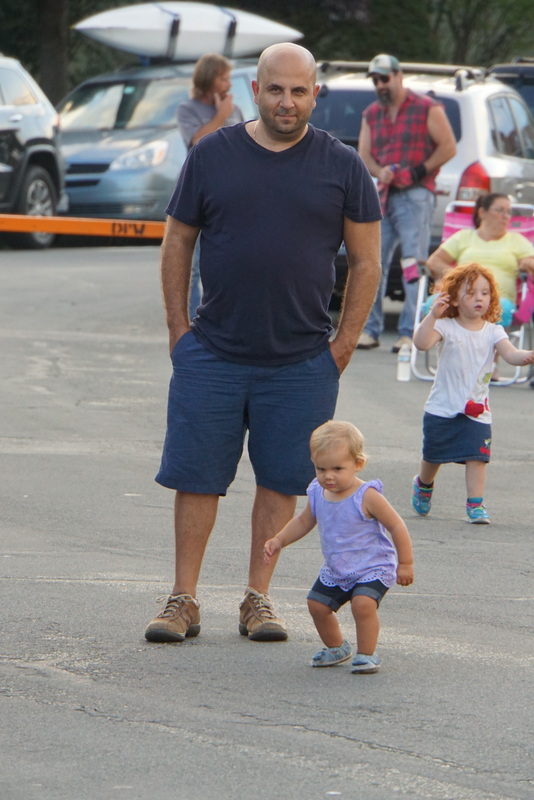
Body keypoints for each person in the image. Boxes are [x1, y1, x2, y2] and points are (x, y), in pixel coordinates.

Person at [144, 43, 382, 645]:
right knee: (197, 478)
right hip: (212, 352)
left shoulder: (343, 165)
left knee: (280, 481)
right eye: (276, 89)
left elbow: (366, 261)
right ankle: (183, 599)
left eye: (299, 91)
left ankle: (258, 599)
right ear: (256, 90)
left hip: (301, 362)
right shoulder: (211, 155)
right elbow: (177, 241)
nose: (287, 101)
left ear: (315, 95)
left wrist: (342, 347)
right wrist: (178, 331)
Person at [263, 420, 414, 674]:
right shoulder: (317, 492)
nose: (328, 476)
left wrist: (406, 563)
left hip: (372, 566)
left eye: (337, 468)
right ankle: (337, 648)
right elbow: (304, 521)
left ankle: (366, 654)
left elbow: (396, 526)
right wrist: (279, 539)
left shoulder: (367, 495)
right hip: (337, 568)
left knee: (362, 604)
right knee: (317, 605)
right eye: (320, 468)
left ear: (358, 464)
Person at [412, 263, 534, 524]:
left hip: (477, 410)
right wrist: (432, 315)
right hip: (442, 407)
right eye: (471, 293)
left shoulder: (493, 331)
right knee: (433, 456)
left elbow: (511, 354)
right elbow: (421, 343)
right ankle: (424, 484)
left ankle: (475, 504)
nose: (479, 298)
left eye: (485, 293)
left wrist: (527, 356)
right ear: (454, 298)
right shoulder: (445, 326)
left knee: (477, 458)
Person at [356, 53, 457, 353]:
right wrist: (380, 171)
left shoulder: (426, 107)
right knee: (373, 262)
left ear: (399, 76)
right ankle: (370, 329)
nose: (380, 85)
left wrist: (418, 171)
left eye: (384, 78)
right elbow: (364, 155)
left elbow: (448, 146)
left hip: (416, 194)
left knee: (413, 265)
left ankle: (409, 332)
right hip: (383, 195)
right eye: (375, 80)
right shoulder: (371, 113)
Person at [177, 54, 244, 319]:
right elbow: (197, 142)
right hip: (201, 193)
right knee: (193, 266)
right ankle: (193, 321)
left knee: (231, 261)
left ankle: (228, 316)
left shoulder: (234, 110)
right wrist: (221, 115)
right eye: (223, 78)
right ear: (208, 79)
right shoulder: (188, 110)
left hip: (234, 193)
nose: (229, 84)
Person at [426, 193, 534, 327]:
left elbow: (531, 262)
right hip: (460, 297)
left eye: (508, 212)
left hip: (497, 299)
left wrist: (528, 264)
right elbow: (433, 262)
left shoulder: (516, 240)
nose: (506, 216)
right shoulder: (464, 237)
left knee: (500, 309)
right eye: (500, 210)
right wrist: (461, 277)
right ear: (482, 212)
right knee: (435, 305)